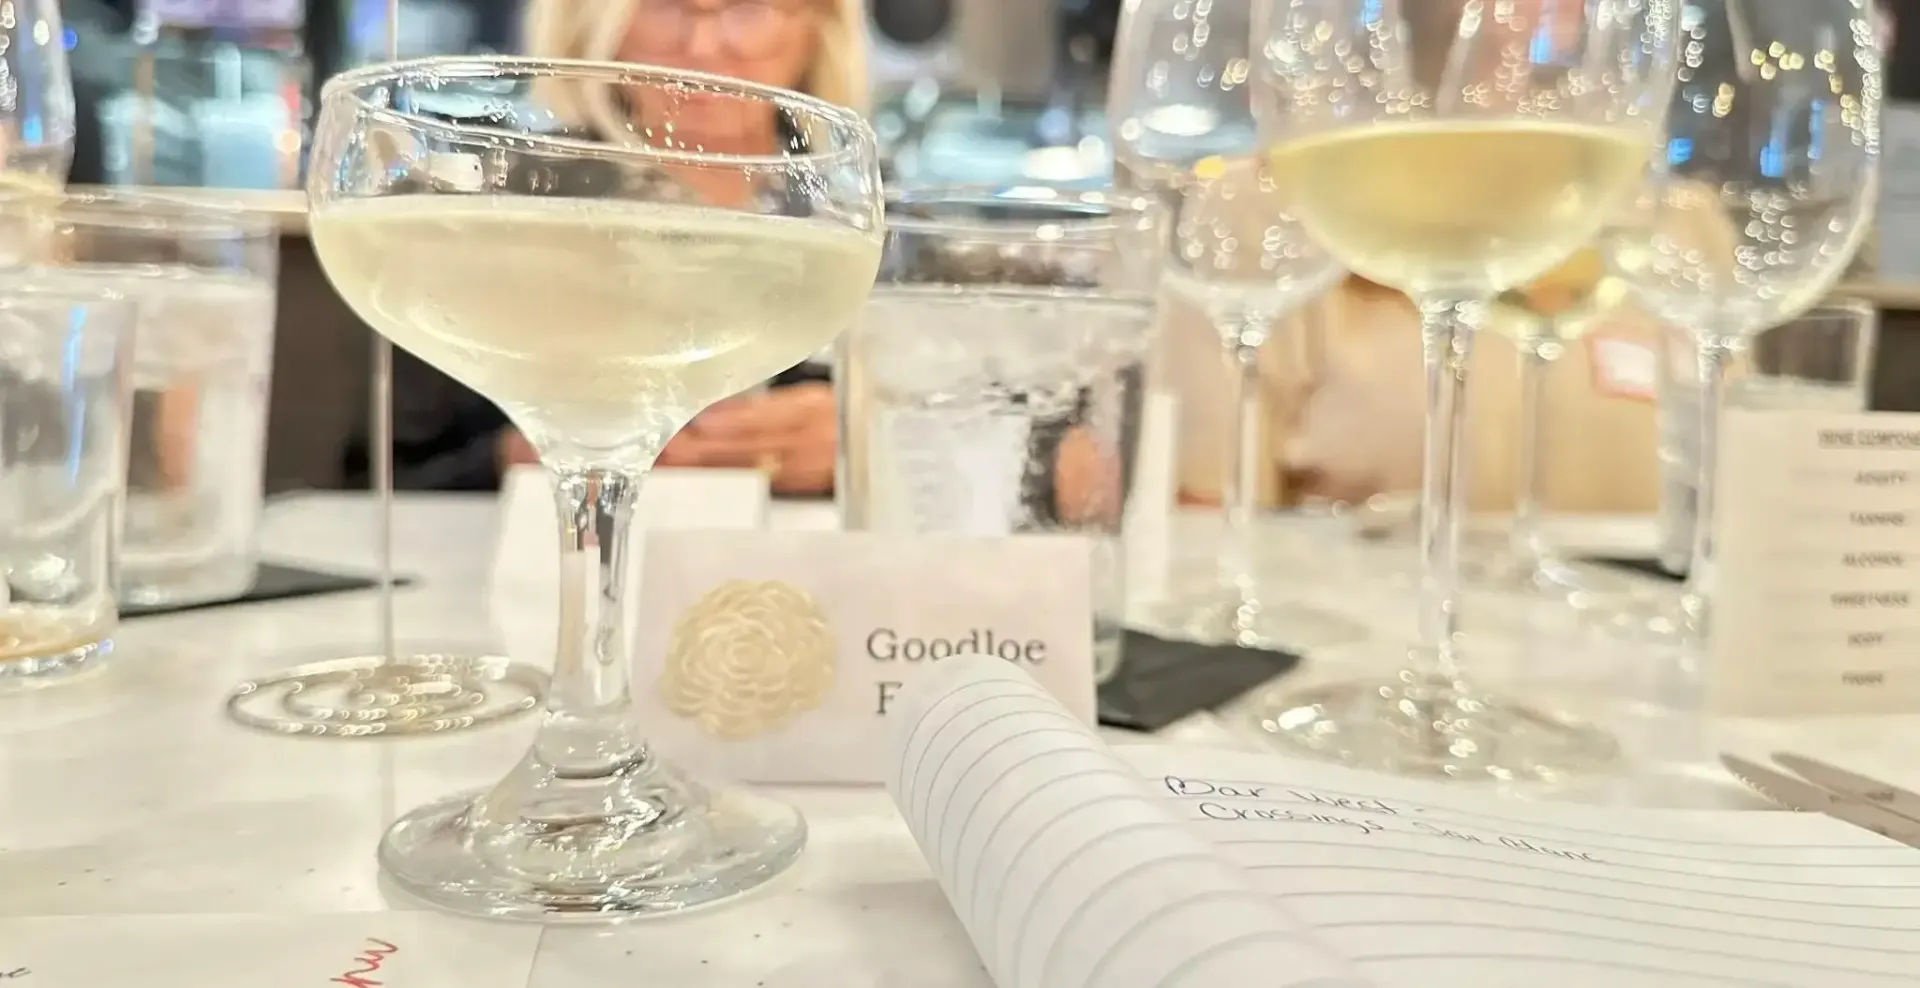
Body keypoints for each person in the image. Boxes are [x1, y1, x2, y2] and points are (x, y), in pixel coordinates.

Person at [353, 0, 868, 494]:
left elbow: (930, 444)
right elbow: (374, 477)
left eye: (750, 8)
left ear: (817, 25)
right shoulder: (505, 212)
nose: (703, 43)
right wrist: (527, 457)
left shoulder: (860, 230)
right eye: (664, 5)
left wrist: (857, 446)